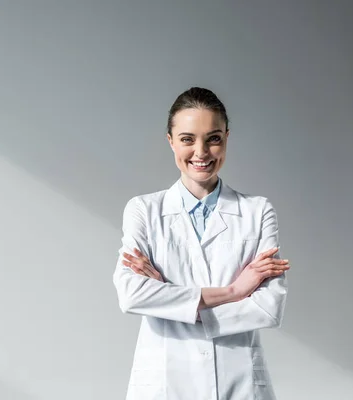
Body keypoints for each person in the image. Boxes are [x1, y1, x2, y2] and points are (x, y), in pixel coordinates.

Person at [113, 87, 289, 400]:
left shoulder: (258, 211)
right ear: (170, 141)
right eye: (187, 139)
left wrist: (169, 297)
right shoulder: (143, 210)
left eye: (213, 138)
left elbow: (268, 307)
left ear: (226, 138)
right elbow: (132, 295)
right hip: (164, 383)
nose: (201, 152)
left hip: (239, 380)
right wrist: (235, 292)